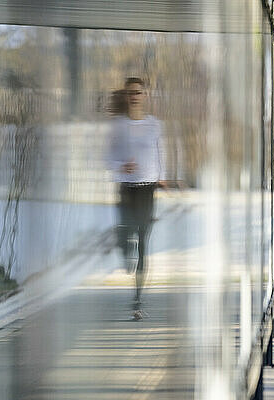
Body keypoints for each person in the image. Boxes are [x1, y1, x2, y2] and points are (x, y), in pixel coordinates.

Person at [108, 77, 166, 320]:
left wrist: (162, 177)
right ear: (126, 96)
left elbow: (161, 152)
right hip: (126, 189)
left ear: (145, 95)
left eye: (138, 92)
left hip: (147, 190)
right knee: (128, 235)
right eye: (130, 92)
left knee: (143, 244)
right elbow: (106, 159)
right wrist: (122, 166)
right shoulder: (118, 126)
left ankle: (137, 300)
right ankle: (123, 245)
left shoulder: (154, 125)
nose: (134, 96)